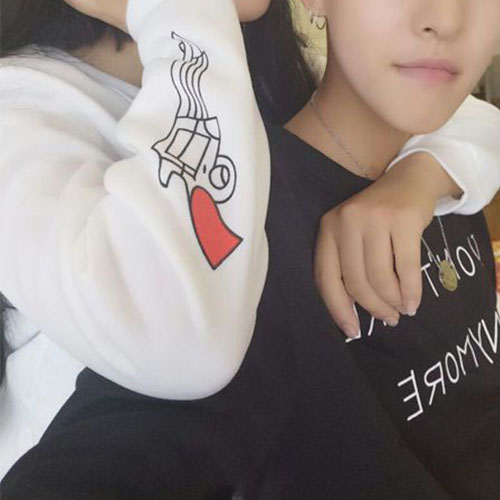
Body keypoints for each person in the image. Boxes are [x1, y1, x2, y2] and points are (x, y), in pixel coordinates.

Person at [2, 0, 499, 498]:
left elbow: (452, 109)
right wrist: (181, 9)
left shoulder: (257, 63)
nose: (445, 18)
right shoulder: (25, 108)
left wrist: (422, 175)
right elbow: (191, 344)